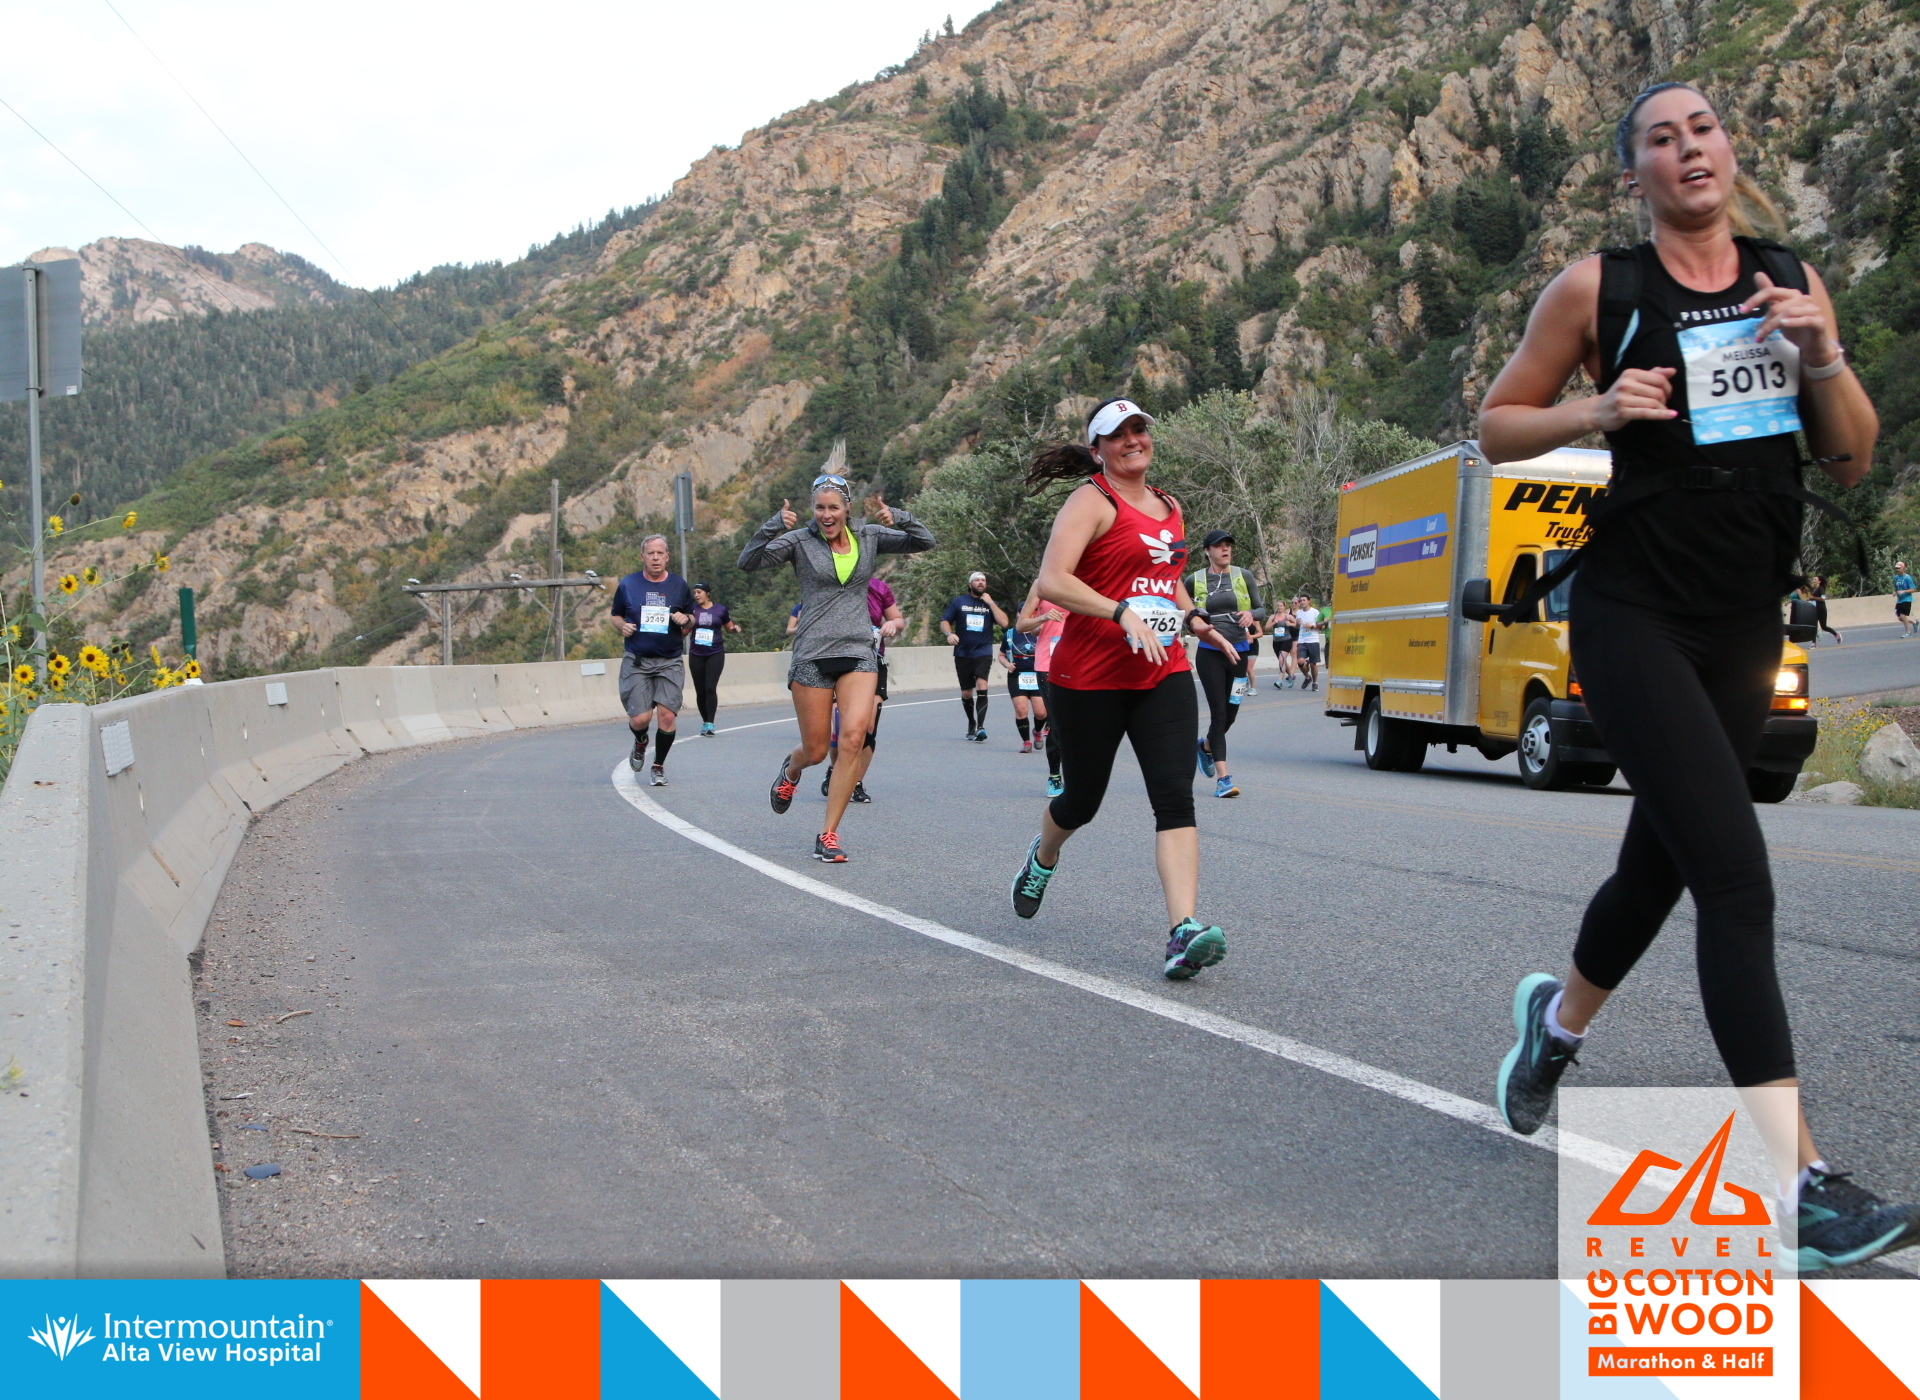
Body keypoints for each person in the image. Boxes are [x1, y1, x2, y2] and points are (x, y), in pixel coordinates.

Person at [1479, 80, 1916, 1271]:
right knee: (1735, 877)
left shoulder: (1789, 281)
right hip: (1634, 614)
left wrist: (1823, 351)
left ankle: (1555, 1025)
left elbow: (1850, 456)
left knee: (1657, 864)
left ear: (1730, 147)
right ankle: (1804, 1185)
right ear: (1636, 175)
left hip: (1743, 620)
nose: (1689, 150)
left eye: (1703, 129)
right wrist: (1596, 407)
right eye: (1661, 140)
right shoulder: (1601, 289)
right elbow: (1497, 423)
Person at [1006, 397, 1237, 980]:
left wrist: (1194, 618)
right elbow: (1052, 581)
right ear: (1098, 449)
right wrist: (1119, 612)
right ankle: (1044, 856)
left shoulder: (1170, 505)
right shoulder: (1090, 501)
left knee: (1175, 797)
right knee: (1082, 801)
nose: (1133, 440)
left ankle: (1183, 931)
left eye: (1140, 429)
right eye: (1119, 434)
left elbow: (1165, 579)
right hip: (1090, 677)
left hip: (1162, 672)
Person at [740, 475, 932, 861]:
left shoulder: (869, 536)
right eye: (819, 508)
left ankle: (828, 834)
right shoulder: (799, 541)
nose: (826, 515)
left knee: (852, 739)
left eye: (833, 507)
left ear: (847, 509)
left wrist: (899, 517)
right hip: (812, 652)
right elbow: (749, 562)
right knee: (815, 750)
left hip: (858, 651)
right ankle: (791, 771)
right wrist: (773, 526)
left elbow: (925, 541)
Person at [611, 534, 695, 786]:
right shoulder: (628, 584)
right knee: (640, 719)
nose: (656, 558)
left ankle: (658, 766)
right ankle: (640, 741)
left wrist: (685, 620)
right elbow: (615, 615)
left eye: (660, 553)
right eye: (651, 553)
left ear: (667, 557)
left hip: (669, 660)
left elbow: (692, 618)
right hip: (637, 660)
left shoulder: (679, 585)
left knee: (667, 717)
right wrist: (622, 626)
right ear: (643, 557)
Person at [1190, 529, 1267, 798]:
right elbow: (1184, 614)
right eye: (1219, 546)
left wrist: (1251, 614)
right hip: (1210, 653)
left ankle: (1205, 747)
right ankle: (1224, 779)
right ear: (1207, 551)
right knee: (1219, 714)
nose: (1225, 549)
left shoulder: (1243, 576)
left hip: (1239, 654)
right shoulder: (1194, 580)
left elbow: (1261, 609)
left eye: (1228, 545)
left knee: (1231, 713)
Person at [823, 575, 905, 802]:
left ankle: (855, 782)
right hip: (838, 660)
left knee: (868, 726)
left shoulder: (878, 587)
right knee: (842, 726)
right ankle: (836, 771)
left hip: (872, 661)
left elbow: (898, 619)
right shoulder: (831, 582)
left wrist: (891, 624)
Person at [1017, 583, 1071, 797]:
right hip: (1048, 663)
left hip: (1080, 661)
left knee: (1080, 722)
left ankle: (1078, 775)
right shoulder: (1042, 584)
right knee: (1056, 721)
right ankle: (1054, 777)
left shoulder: (1085, 580)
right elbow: (1022, 625)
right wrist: (1044, 618)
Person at [941, 571, 1008, 741]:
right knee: (966, 693)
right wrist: (949, 634)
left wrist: (990, 603)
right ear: (970, 584)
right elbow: (945, 620)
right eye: (977, 580)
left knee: (982, 684)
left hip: (983, 651)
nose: (980, 582)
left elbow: (1004, 622)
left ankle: (981, 727)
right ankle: (971, 722)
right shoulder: (960, 601)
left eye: (983, 580)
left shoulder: (990, 603)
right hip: (963, 652)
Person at [687, 583, 741, 736]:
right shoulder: (692, 610)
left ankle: (710, 723)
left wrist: (734, 629)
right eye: (695, 593)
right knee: (700, 690)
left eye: (699, 592)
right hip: (696, 654)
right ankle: (705, 721)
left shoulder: (720, 610)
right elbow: (685, 630)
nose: (696, 595)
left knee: (710, 687)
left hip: (715, 653)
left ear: (707, 594)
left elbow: (729, 628)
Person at [997, 612, 1046, 751]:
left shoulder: (1041, 632)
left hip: (1037, 675)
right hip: (1017, 676)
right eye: (1023, 612)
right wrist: (1007, 664)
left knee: (1041, 713)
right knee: (1021, 710)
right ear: (1018, 615)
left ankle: (1037, 731)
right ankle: (1026, 742)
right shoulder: (1010, 634)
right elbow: (1001, 655)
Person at [1292, 595, 1323, 691]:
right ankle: (1307, 677)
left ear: (1309, 601)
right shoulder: (1299, 613)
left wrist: (1311, 626)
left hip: (1313, 640)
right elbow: (1297, 627)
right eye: (1300, 600)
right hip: (1302, 640)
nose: (1302, 602)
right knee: (1300, 661)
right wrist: (1297, 624)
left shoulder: (1315, 612)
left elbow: (1321, 627)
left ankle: (1315, 683)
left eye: (1304, 600)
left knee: (1313, 664)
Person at [1805, 575, 1843, 644]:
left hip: (1821, 609)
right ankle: (1814, 643)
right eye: (1813, 579)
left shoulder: (1821, 588)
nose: (1813, 580)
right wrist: (1809, 599)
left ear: (1819, 581)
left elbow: (1823, 599)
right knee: (1814, 627)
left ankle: (1836, 634)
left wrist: (1813, 598)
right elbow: (1812, 598)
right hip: (1814, 610)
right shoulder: (1813, 589)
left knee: (1824, 627)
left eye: (1815, 579)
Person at [1895, 561, 1916, 638]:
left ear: (1903, 568)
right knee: (1900, 618)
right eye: (1896, 568)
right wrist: (1895, 592)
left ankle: (1908, 632)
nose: (1897, 570)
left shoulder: (1907, 578)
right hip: (1899, 600)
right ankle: (1914, 622)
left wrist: (1904, 591)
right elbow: (1897, 588)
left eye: (1899, 568)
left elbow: (1913, 589)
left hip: (1907, 599)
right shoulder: (1895, 578)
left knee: (1902, 615)